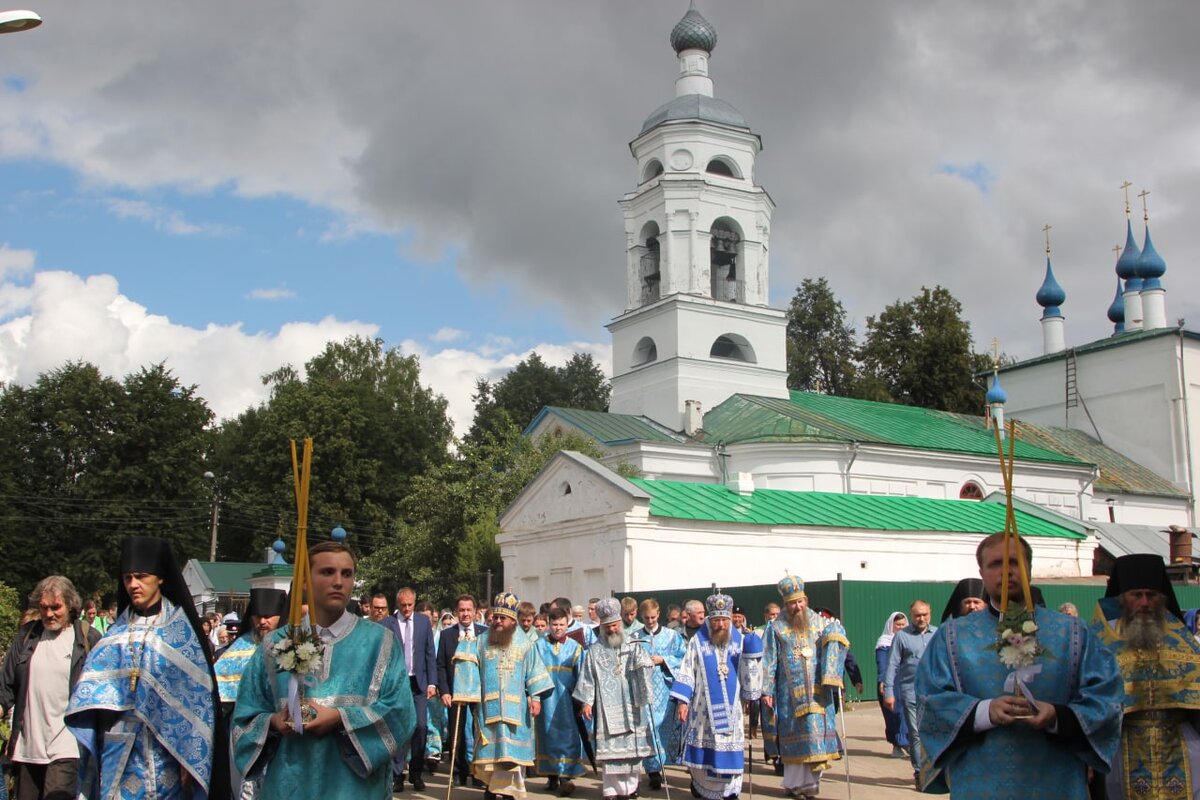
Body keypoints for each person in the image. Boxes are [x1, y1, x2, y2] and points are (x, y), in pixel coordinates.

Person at [915, 532, 1123, 798]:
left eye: (1014, 562)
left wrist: (1058, 717)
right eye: (995, 564)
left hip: (1057, 782)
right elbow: (929, 702)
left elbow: (1108, 701)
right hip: (980, 782)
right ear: (982, 572)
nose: (1006, 572)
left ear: (1029, 569)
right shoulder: (951, 637)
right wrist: (983, 712)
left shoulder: (1074, 634)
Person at [232, 540, 415, 800]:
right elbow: (244, 718)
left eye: (347, 574)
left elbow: (402, 714)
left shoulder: (381, 643)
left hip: (356, 789)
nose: (339, 581)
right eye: (327, 572)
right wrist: (273, 722)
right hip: (289, 785)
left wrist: (340, 717)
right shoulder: (275, 644)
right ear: (305, 580)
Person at [66, 536, 227, 800]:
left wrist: (192, 759)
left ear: (160, 577)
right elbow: (90, 698)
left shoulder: (181, 634)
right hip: (120, 752)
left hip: (168, 753)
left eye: (141, 576)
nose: (133, 585)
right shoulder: (115, 635)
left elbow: (199, 702)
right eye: (128, 578)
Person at [1091, 553, 1200, 798]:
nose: (1145, 603)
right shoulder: (1100, 639)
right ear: (1122, 598)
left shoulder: (1182, 638)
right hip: (1122, 743)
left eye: (1152, 595)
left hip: (1178, 740)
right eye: (1136, 595)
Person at [0, 576, 101, 800]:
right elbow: (5, 687)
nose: (48, 614)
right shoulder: (27, 637)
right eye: (43, 608)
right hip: (28, 748)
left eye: (56, 607)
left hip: (68, 745)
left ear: (70, 606)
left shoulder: (87, 639)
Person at [452, 591, 553, 800]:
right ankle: (490, 792)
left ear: (512, 620)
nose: (498, 621)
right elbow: (469, 670)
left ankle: (508, 795)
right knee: (491, 761)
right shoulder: (480, 642)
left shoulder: (525, 643)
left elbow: (534, 671)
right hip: (487, 711)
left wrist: (535, 698)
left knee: (510, 759)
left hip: (515, 713)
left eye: (502, 618)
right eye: (495, 617)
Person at [761, 574, 847, 800]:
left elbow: (834, 648)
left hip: (818, 692)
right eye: (792, 603)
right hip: (789, 694)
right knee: (793, 737)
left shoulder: (821, 623)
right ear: (785, 604)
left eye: (800, 601)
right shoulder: (776, 626)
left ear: (806, 600)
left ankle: (810, 786)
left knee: (815, 738)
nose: (796, 606)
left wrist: (837, 634)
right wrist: (766, 690)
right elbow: (769, 659)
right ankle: (794, 785)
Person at [672, 592, 763, 800]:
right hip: (702, 713)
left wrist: (752, 653)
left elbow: (750, 677)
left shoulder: (740, 641)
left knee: (730, 754)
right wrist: (682, 702)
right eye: (716, 620)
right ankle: (704, 791)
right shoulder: (698, 641)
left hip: (732, 713)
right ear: (709, 620)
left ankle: (730, 793)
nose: (720, 624)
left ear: (730, 619)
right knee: (705, 760)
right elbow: (687, 670)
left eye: (724, 620)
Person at [575, 598, 655, 800]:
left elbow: (647, 666)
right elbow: (588, 677)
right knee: (611, 757)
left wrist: (643, 665)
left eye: (615, 625)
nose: (612, 629)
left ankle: (629, 790)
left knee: (631, 754)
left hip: (632, 705)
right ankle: (611, 791)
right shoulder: (594, 651)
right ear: (602, 626)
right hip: (606, 709)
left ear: (620, 623)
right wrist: (587, 701)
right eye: (608, 626)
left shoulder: (634, 645)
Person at [213, 587, 287, 796]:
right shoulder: (240, 647)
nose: (262, 622)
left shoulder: (292, 644)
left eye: (268, 617)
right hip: (246, 732)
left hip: (283, 733)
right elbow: (221, 697)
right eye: (258, 616)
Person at [380, 586, 437, 793]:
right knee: (399, 729)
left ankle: (416, 772)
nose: (406, 608)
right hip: (398, 685)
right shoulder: (388, 623)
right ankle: (397, 774)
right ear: (397, 604)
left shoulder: (423, 622)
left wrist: (432, 683)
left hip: (419, 683)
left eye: (409, 605)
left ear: (414, 602)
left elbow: (430, 652)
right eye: (402, 605)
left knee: (421, 727)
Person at [630, 598, 686, 790]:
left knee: (663, 728)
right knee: (648, 729)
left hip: (665, 689)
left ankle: (662, 765)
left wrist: (664, 659)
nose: (650, 621)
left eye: (653, 617)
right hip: (644, 691)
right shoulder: (635, 636)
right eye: (646, 618)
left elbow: (682, 658)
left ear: (658, 614)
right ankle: (652, 771)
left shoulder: (672, 636)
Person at [883, 599, 936, 782]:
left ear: (930, 614)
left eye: (925, 615)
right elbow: (892, 665)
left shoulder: (937, 634)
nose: (921, 618)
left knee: (933, 732)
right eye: (917, 615)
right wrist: (889, 692)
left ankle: (935, 769)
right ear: (911, 616)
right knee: (916, 733)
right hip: (911, 692)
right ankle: (920, 771)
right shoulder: (902, 637)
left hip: (935, 693)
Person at [534, 607, 585, 796]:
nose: (557, 628)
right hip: (546, 699)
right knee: (547, 735)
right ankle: (552, 775)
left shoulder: (575, 647)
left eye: (561, 625)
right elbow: (533, 673)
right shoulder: (539, 646)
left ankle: (566, 777)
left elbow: (582, 676)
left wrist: (581, 701)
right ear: (548, 625)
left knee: (568, 736)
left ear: (567, 624)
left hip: (567, 700)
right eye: (554, 624)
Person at [438, 594, 488, 787]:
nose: (465, 614)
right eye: (462, 610)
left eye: (469, 610)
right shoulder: (446, 635)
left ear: (475, 612)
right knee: (456, 732)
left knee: (479, 731)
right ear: (457, 612)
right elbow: (441, 664)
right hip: (455, 691)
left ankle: (478, 771)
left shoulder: (484, 633)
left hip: (478, 691)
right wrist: (444, 690)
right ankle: (459, 771)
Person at [874, 611, 910, 759]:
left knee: (906, 713)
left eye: (903, 625)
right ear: (891, 625)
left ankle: (906, 743)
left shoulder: (908, 639)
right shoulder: (884, 642)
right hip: (890, 683)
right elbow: (882, 663)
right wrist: (883, 680)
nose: (900, 628)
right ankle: (899, 744)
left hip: (906, 681)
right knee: (894, 714)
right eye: (898, 625)